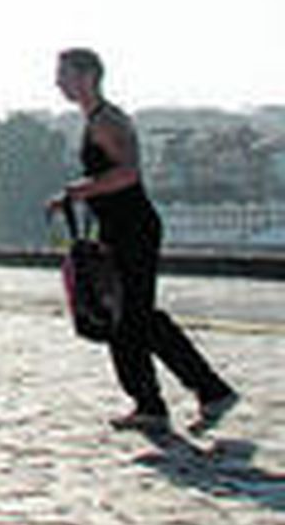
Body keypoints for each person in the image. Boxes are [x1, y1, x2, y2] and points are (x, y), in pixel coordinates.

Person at [49, 47, 239, 434]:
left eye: (64, 74)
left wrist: (77, 190)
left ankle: (185, 395)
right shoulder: (96, 119)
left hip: (132, 227)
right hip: (118, 227)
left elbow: (128, 174)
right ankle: (179, 396)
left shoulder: (107, 121)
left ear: (88, 75)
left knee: (129, 318)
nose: (58, 82)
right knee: (131, 316)